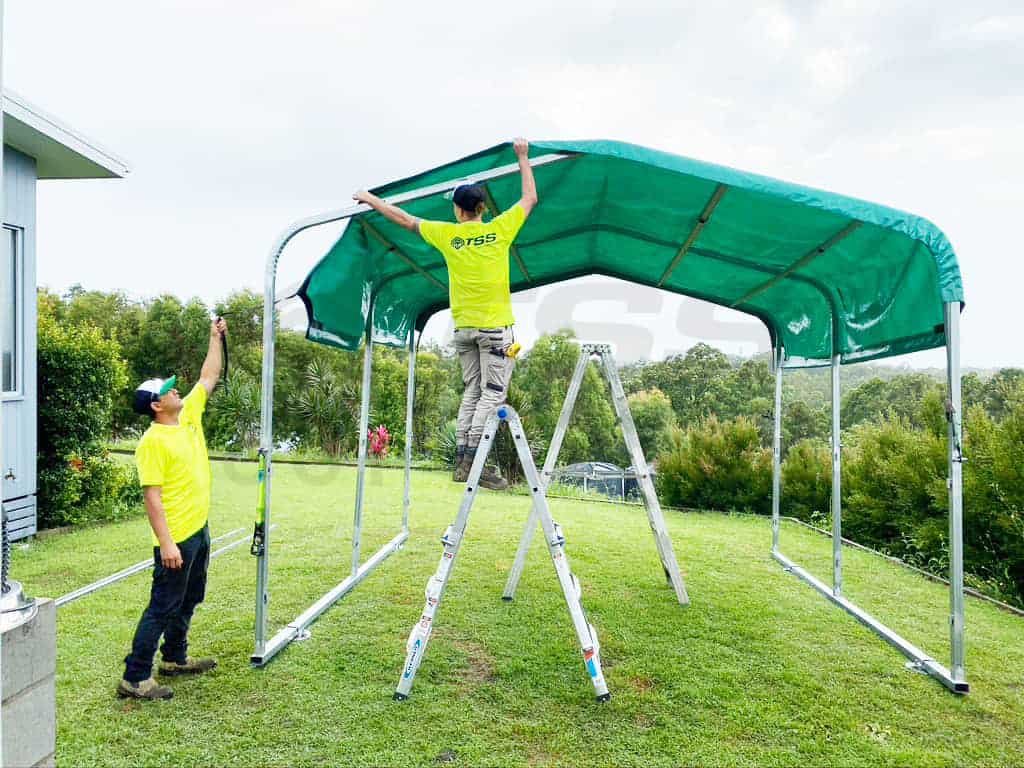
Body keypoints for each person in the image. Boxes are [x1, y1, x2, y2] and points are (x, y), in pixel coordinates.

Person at [353, 138, 537, 490]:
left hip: (464, 329)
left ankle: (461, 460)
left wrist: (370, 199)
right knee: (492, 393)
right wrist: (523, 157)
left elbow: (404, 219)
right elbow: (530, 199)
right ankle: (473, 463)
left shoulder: (449, 236)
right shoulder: (498, 230)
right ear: (482, 207)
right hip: (495, 330)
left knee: (472, 390)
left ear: (457, 210)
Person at [117, 318, 227, 700]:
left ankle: (175, 658)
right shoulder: (152, 442)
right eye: (167, 390)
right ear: (155, 404)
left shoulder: (189, 415)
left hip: (199, 529)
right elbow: (153, 497)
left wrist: (215, 337)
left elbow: (209, 374)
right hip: (176, 539)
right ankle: (135, 678)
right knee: (162, 607)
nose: (175, 389)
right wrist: (166, 544)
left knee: (190, 598)